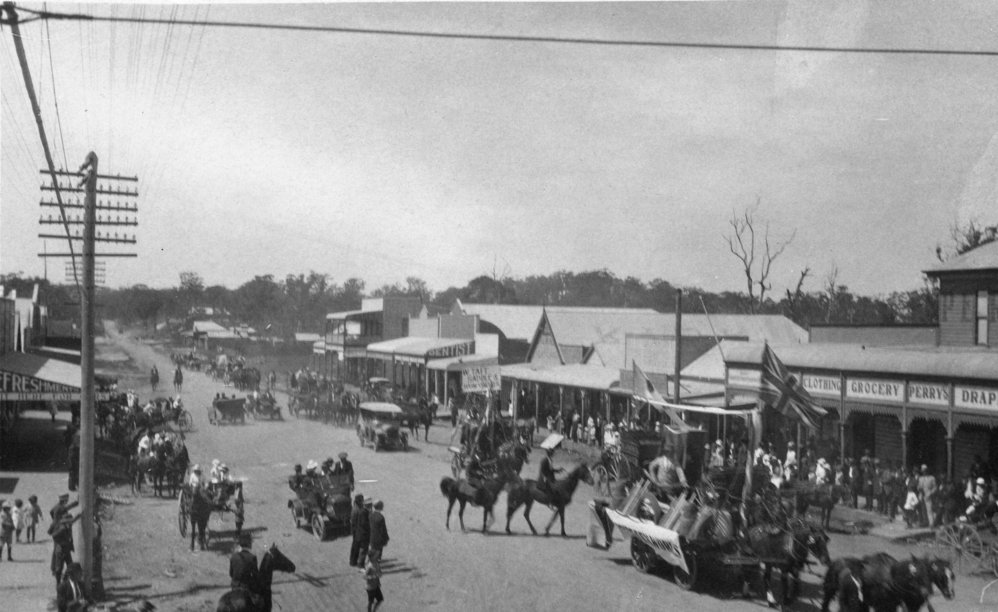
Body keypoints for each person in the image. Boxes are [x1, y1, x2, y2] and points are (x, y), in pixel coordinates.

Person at [349, 494, 370, 568]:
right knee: (356, 547)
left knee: (356, 546)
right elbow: (354, 522)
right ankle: (355, 562)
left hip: (356, 531)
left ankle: (353, 561)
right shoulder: (357, 510)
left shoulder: (356, 508)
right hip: (357, 531)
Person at [368, 500, 389, 568]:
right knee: (378, 552)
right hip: (379, 538)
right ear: (380, 507)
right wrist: (386, 538)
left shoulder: (370, 515)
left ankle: (372, 563)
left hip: (372, 537)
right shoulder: (380, 517)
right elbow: (383, 530)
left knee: (373, 551)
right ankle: (375, 566)